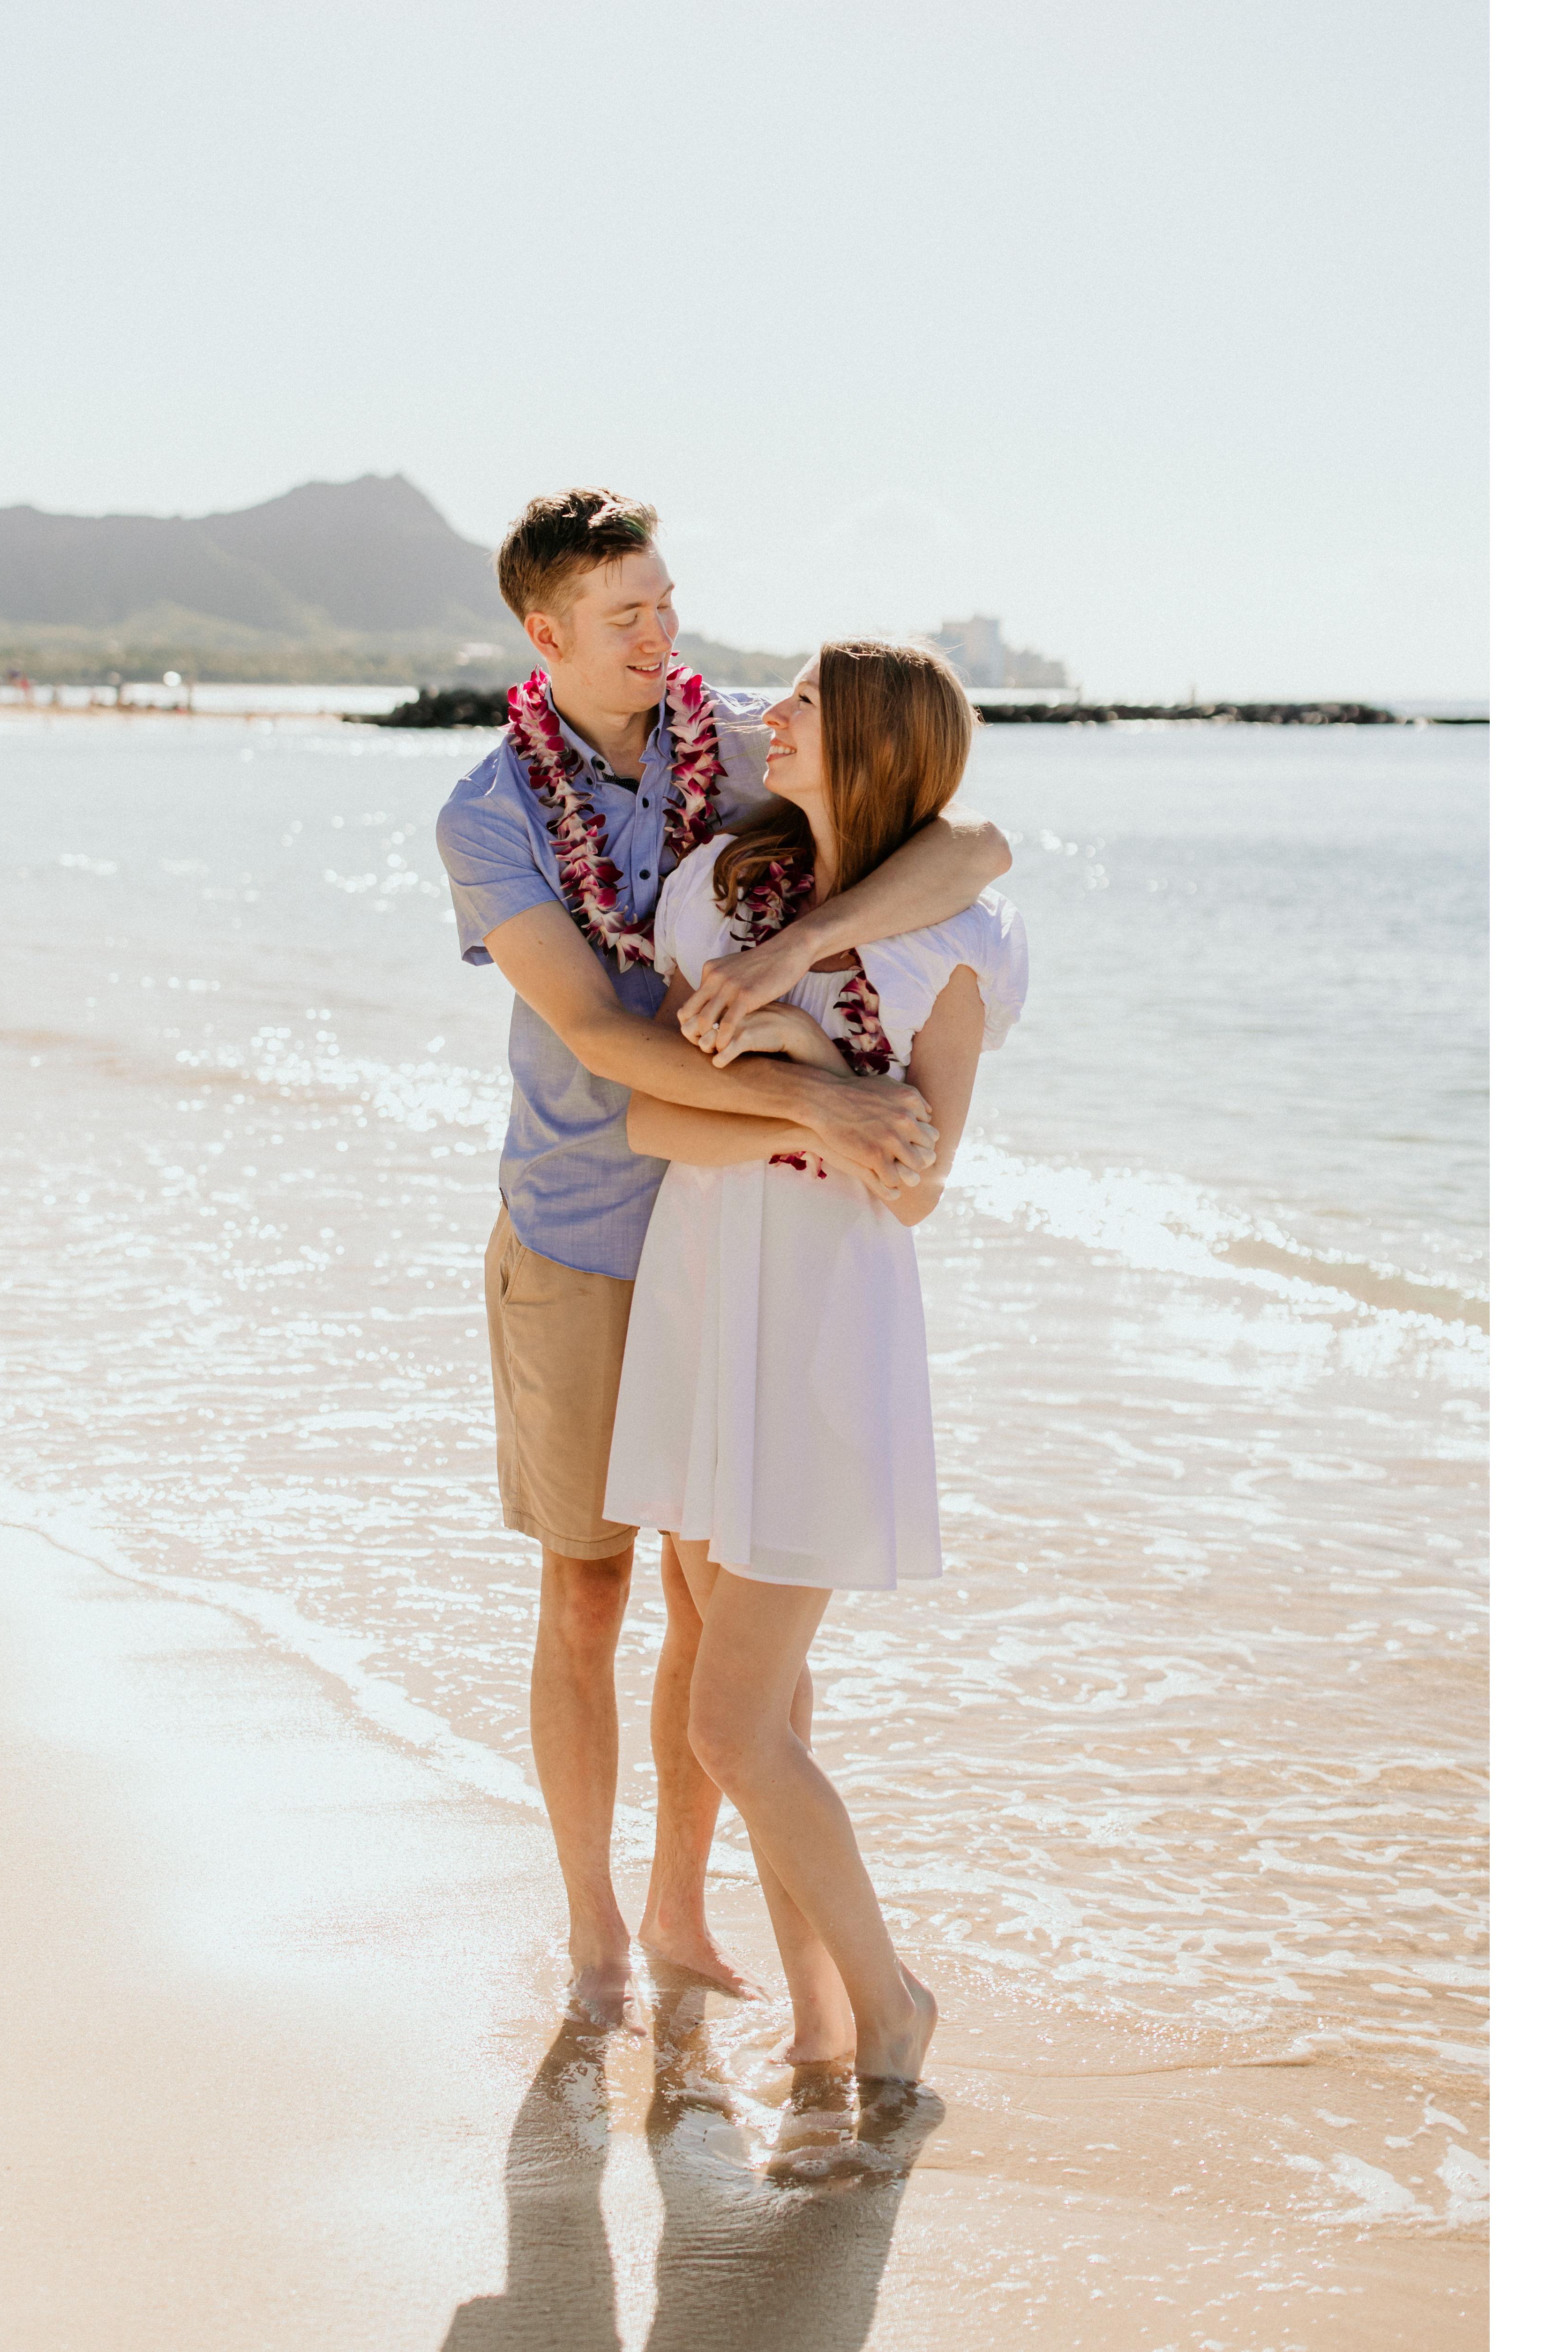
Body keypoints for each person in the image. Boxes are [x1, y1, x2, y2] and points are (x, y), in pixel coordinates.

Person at [436, 490, 1012, 2024]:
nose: (662, 635)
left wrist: (795, 954)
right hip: (584, 1222)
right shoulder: (490, 814)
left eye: (667, 602)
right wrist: (816, 1096)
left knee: (728, 1621)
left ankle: (693, 1915)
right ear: (546, 633)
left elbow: (967, 845)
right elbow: (599, 1033)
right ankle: (596, 1929)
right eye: (626, 616)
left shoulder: (747, 743)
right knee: (589, 1593)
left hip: (743, 1242)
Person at [602, 639, 1028, 2094]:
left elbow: (914, 1188)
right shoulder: (717, 893)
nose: (769, 717)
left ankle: (891, 2004)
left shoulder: (955, 945)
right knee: (765, 1707)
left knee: (729, 1721)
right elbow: (655, 1119)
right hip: (703, 1299)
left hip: (825, 1333)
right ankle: (825, 2023)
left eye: (801, 703)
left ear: (873, 743)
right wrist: (806, 1084)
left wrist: (804, 1052)